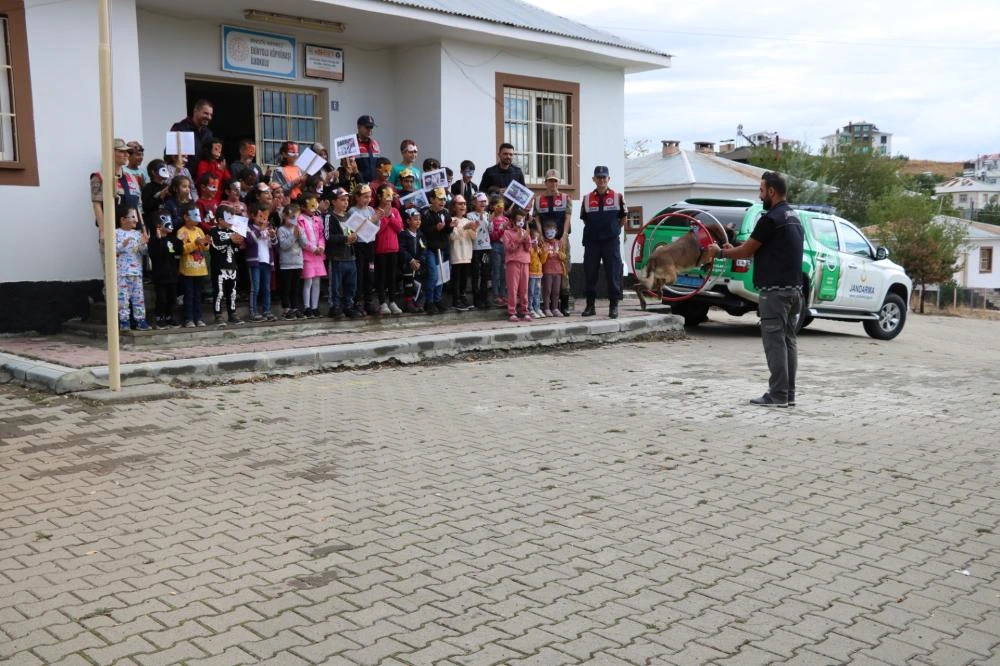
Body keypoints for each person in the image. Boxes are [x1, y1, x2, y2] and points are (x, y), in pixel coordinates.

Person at [709, 171, 804, 408]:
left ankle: (778, 395)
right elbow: (761, 247)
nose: (759, 194)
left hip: (775, 293)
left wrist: (719, 252)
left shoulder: (770, 218)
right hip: (794, 292)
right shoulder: (793, 217)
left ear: (771, 191)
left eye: (761, 190)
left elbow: (747, 251)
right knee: (788, 342)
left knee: (775, 344)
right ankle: (788, 394)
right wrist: (738, 248)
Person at [580, 165, 626, 319]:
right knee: (590, 273)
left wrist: (614, 230)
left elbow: (623, 218)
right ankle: (590, 306)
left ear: (608, 179)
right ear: (594, 179)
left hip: (610, 242)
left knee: (613, 273)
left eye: (604, 177)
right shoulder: (587, 198)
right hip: (592, 241)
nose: (601, 180)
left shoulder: (617, 196)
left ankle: (613, 306)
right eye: (598, 177)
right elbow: (585, 219)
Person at [534, 168, 573, 315]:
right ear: (545, 182)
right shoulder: (538, 199)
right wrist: (539, 234)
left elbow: (568, 218)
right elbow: (536, 218)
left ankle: (563, 304)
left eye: (555, 181)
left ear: (558, 182)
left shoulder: (565, 198)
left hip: (561, 238)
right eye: (550, 181)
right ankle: (546, 304)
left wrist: (563, 235)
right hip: (544, 239)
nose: (552, 183)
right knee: (543, 269)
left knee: (564, 268)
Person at [90, 138, 143, 243]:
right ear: (110, 153)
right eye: (121, 151)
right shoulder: (100, 177)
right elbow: (97, 206)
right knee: (112, 259)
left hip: (134, 232)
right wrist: (104, 231)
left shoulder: (131, 177)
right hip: (113, 232)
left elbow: (137, 206)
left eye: (127, 152)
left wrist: (143, 229)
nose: (126, 155)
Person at [324, 188, 359, 319]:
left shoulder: (349, 216)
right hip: (337, 257)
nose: (345, 203)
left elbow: (353, 232)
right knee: (336, 285)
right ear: (334, 201)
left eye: (347, 200)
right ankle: (335, 306)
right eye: (342, 200)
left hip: (350, 256)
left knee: (351, 284)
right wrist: (345, 239)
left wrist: (354, 237)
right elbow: (328, 237)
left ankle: (348, 306)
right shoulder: (329, 217)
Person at [115, 207, 149, 331]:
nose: (136, 220)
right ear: (123, 219)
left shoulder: (137, 234)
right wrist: (122, 244)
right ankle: (124, 321)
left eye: (136, 217)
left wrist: (143, 244)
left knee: (138, 297)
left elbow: (144, 252)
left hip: (137, 272)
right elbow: (112, 250)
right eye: (133, 217)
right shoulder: (116, 233)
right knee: (123, 298)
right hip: (122, 272)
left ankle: (141, 320)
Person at [209, 205, 244, 326]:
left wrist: (238, 242)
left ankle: (232, 313)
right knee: (219, 292)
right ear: (220, 220)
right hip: (219, 266)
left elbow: (236, 248)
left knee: (232, 292)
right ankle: (218, 315)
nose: (231, 221)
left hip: (232, 265)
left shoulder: (232, 231)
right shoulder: (213, 231)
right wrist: (230, 240)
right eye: (228, 218)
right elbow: (215, 246)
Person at [176, 202, 210, 327]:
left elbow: (206, 248)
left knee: (198, 296)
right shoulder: (181, 231)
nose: (197, 218)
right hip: (188, 270)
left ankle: (198, 318)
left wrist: (205, 242)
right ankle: (188, 319)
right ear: (186, 217)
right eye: (194, 215)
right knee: (189, 295)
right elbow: (182, 249)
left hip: (200, 269)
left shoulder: (199, 230)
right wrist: (195, 243)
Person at [147, 208, 181, 329]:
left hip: (172, 274)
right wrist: (158, 239)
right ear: (158, 225)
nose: (170, 224)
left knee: (172, 298)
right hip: (160, 276)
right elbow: (153, 254)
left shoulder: (172, 239)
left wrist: (180, 240)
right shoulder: (153, 240)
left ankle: (170, 316)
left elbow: (178, 251)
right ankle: (159, 317)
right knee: (161, 298)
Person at [420, 187, 452, 314]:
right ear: (432, 199)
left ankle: (438, 299)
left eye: (443, 199)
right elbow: (423, 231)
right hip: (430, 248)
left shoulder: (446, 212)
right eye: (439, 199)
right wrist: (436, 228)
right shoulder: (425, 213)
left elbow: (448, 230)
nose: (442, 202)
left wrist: (450, 227)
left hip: (442, 248)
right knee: (433, 275)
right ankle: (429, 301)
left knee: (441, 275)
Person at [373, 184, 403, 315]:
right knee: (381, 277)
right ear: (380, 196)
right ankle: (382, 302)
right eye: (386, 196)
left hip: (393, 249)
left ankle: (392, 301)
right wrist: (384, 216)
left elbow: (399, 228)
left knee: (392, 276)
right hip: (380, 249)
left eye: (391, 196)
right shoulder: (375, 212)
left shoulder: (395, 211)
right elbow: (378, 230)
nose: (389, 199)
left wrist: (391, 216)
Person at [348, 184, 378, 315]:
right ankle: (358, 301)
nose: (368, 200)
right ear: (357, 197)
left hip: (370, 243)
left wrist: (375, 220)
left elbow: (376, 226)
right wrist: (372, 220)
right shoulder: (352, 211)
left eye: (369, 197)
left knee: (370, 273)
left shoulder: (370, 209)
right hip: (359, 245)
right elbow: (357, 228)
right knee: (359, 273)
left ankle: (369, 301)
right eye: (365, 197)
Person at [246, 203, 277, 321]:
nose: (263, 220)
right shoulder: (249, 228)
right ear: (253, 216)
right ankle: (253, 312)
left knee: (266, 288)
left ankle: (267, 310)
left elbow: (274, 244)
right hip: (255, 262)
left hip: (267, 261)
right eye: (260, 216)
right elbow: (249, 241)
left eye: (265, 217)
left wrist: (273, 236)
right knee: (255, 287)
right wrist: (260, 230)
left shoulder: (268, 229)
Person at [298, 193, 327, 318]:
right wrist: (313, 248)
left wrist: (321, 247)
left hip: (318, 255)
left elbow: (321, 235)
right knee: (308, 281)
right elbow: (302, 239)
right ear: (304, 206)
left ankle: (315, 307)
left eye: (315, 204)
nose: (314, 207)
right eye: (311, 205)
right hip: (307, 255)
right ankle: (307, 307)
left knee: (316, 281)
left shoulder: (318, 219)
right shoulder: (300, 219)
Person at [503, 208, 532, 322]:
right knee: (513, 288)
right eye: (519, 220)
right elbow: (509, 248)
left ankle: (524, 310)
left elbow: (528, 248)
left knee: (524, 288)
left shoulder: (525, 232)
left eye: (523, 220)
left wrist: (527, 241)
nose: (521, 222)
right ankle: (512, 311)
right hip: (513, 262)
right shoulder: (507, 233)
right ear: (513, 221)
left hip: (525, 261)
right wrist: (519, 240)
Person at [448, 195, 476, 311]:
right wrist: (463, 228)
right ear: (454, 206)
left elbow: (473, 238)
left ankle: (463, 297)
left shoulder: (467, 220)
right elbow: (452, 237)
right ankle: (456, 300)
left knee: (464, 278)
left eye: (464, 203)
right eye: (459, 204)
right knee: (456, 279)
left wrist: (473, 229)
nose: (463, 206)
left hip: (467, 255)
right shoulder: (451, 220)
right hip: (456, 254)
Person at [277, 204, 306, 319]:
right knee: (286, 288)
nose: (294, 220)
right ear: (284, 216)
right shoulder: (281, 230)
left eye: (296, 218)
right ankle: (286, 309)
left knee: (295, 288)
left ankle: (295, 308)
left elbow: (304, 244)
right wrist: (293, 236)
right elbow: (284, 246)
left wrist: (300, 234)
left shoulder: (299, 228)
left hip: (298, 262)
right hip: (286, 264)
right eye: (291, 217)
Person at [169, 99, 214, 173]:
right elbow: (169, 156)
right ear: (195, 111)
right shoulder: (180, 128)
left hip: (202, 179)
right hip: (184, 178)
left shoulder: (208, 133)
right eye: (206, 113)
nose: (209, 117)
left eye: (211, 115)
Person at [398, 208, 426, 313]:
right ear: (408, 221)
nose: (418, 221)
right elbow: (402, 249)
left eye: (419, 219)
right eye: (415, 219)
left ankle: (418, 302)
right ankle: (408, 302)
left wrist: (420, 260)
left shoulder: (420, 234)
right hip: (407, 264)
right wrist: (411, 260)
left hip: (418, 265)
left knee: (418, 283)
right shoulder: (404, 234)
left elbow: (423, 248)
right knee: (408, 284)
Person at [468, 192, 492, 310]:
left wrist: (485, 219)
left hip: (486, 248)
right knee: (476, 273)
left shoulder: (488, 215)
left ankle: (485, 297)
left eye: (484, 201)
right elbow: (472, 229)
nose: (483, 203)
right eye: (480, 201)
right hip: (475, 248)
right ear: (474, 203)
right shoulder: (470, 215)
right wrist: (478, 222)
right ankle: (476, 298)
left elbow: (490, 229)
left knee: (485, 272)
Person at [539, 221, 566, 317]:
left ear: (556, 231)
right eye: (547, 231)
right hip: (547, 271)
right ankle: (546, 308)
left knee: (556, 291)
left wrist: (559, 254)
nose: (550, 233)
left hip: (558, 271)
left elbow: (564, 256)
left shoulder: (559, 243)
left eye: (552, 230)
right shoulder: (543, 243)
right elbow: (541, 259)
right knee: (547, 290)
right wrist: (545, 253)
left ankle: (555, 308)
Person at [195, 138, 230, 205]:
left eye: (220, 150)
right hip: (206, 199)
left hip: (218, 199)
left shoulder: (219, 164)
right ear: (209, 149)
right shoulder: (203, 164)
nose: (219, 152)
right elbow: (206, 181)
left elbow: (228, 180)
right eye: (216, 149)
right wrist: (220, 171)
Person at [489, 195, 508, 306]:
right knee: (496, 271)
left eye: (502, 205)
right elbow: (493, 237)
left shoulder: (506, 219)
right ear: (493, 207)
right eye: (498, 205)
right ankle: (496, 295)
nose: (500, 207)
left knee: (504, 272)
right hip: (495, 247)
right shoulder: (492, 220)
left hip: (505, 248)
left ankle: (503, 294)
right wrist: (502, 229)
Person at [355, 115, 381, 183]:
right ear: (358, 127)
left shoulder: (375, 143)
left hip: (373, 185)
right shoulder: (351, 144)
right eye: (367, 127)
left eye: (371, 127)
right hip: (357, 185)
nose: (370, 130)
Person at [528, 227, 544, 319]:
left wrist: (544, 251)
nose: (536, 241)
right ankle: (530, 308)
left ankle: (537, 307)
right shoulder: (530, 249)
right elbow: (530, 259)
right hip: (531, 273)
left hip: (539, 274)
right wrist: (533, 250)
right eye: (535, 238)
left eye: (538, 239)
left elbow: (542, 260)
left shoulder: (538, 249)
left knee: (537, 292)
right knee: (531, 291)